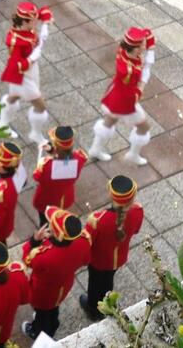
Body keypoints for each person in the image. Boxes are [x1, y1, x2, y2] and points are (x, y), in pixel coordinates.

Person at [88, 27, 156, 166]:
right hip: (125, 100)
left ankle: (95, 149)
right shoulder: (128, 70)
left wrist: (149, 44)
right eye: (142, 45)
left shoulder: (124, 51)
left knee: (109, 122)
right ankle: (133, 154)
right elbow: (134, 88)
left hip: (115, 95)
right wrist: (141, 87)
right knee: (143, 128)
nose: (145, 46)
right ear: (136, 49)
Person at [21, 206, 91, 340]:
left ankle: (38, 331)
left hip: (44, 292)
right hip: (64, 285)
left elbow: (26, 259)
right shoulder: (83, 240)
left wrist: (34, 240)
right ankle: (53, 323)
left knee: (43, 313)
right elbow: (85, 260)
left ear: (56, 234)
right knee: (52, 309)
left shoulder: (43, 255)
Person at [79, 175, 144, 321]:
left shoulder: (98, 219)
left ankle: (92, 308)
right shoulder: (138, 210)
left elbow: (86, 243)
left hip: (98, 261)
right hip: (119, 258)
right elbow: (136, 230)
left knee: (95, 284)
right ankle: (107, 302)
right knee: (108, 280)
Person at [0, 2, 53, 144]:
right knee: (41, 107)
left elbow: (44, 12)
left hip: (31, 71)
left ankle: (2, 124)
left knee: (13, 97)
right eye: (34, 21)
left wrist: (45, 23)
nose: (36, 21)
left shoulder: (27, 23)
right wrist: (34, 56)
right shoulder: (15, 41)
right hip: (21, 76)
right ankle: (36, 134)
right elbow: (17, 65)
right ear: (25, 21)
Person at [31, 125, 87, 225]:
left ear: (56, 146)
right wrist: (52, 151)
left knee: (44, 221)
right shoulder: (80, 158)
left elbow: (36, 177)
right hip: (65, 197)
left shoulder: (45, 165)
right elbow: (65, 160)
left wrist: (50, 154)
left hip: (47, 199)